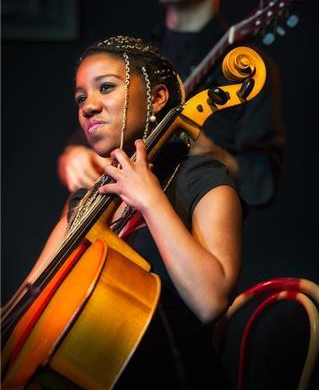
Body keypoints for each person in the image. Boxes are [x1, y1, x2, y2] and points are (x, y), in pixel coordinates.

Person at [12, 36, 243, 389]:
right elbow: (29, 298)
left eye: (105, 87)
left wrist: (150, 201)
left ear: (158, 98)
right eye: (80, 98)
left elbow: (210, 300)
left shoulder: (202, 179)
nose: (88, 106)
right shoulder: (83, 202)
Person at [57, 0, 285, 208]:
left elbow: (261, 183)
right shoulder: (132, 58)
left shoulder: (246, 67)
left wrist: (209, 151)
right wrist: (72, 157)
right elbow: (87, 135)